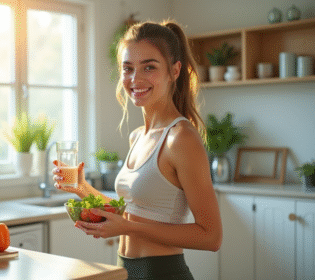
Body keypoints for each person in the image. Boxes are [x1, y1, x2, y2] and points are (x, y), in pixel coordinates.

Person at [52, 20, 222, 280]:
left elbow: (211, 236)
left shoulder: (181, 138)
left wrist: (128, 227)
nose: (135, 79)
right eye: (128, 68)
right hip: (125, 271)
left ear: (174, 71)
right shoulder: (137, 137)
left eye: (149, 67)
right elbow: (133, 212)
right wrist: (81, 187)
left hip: (163, 273)